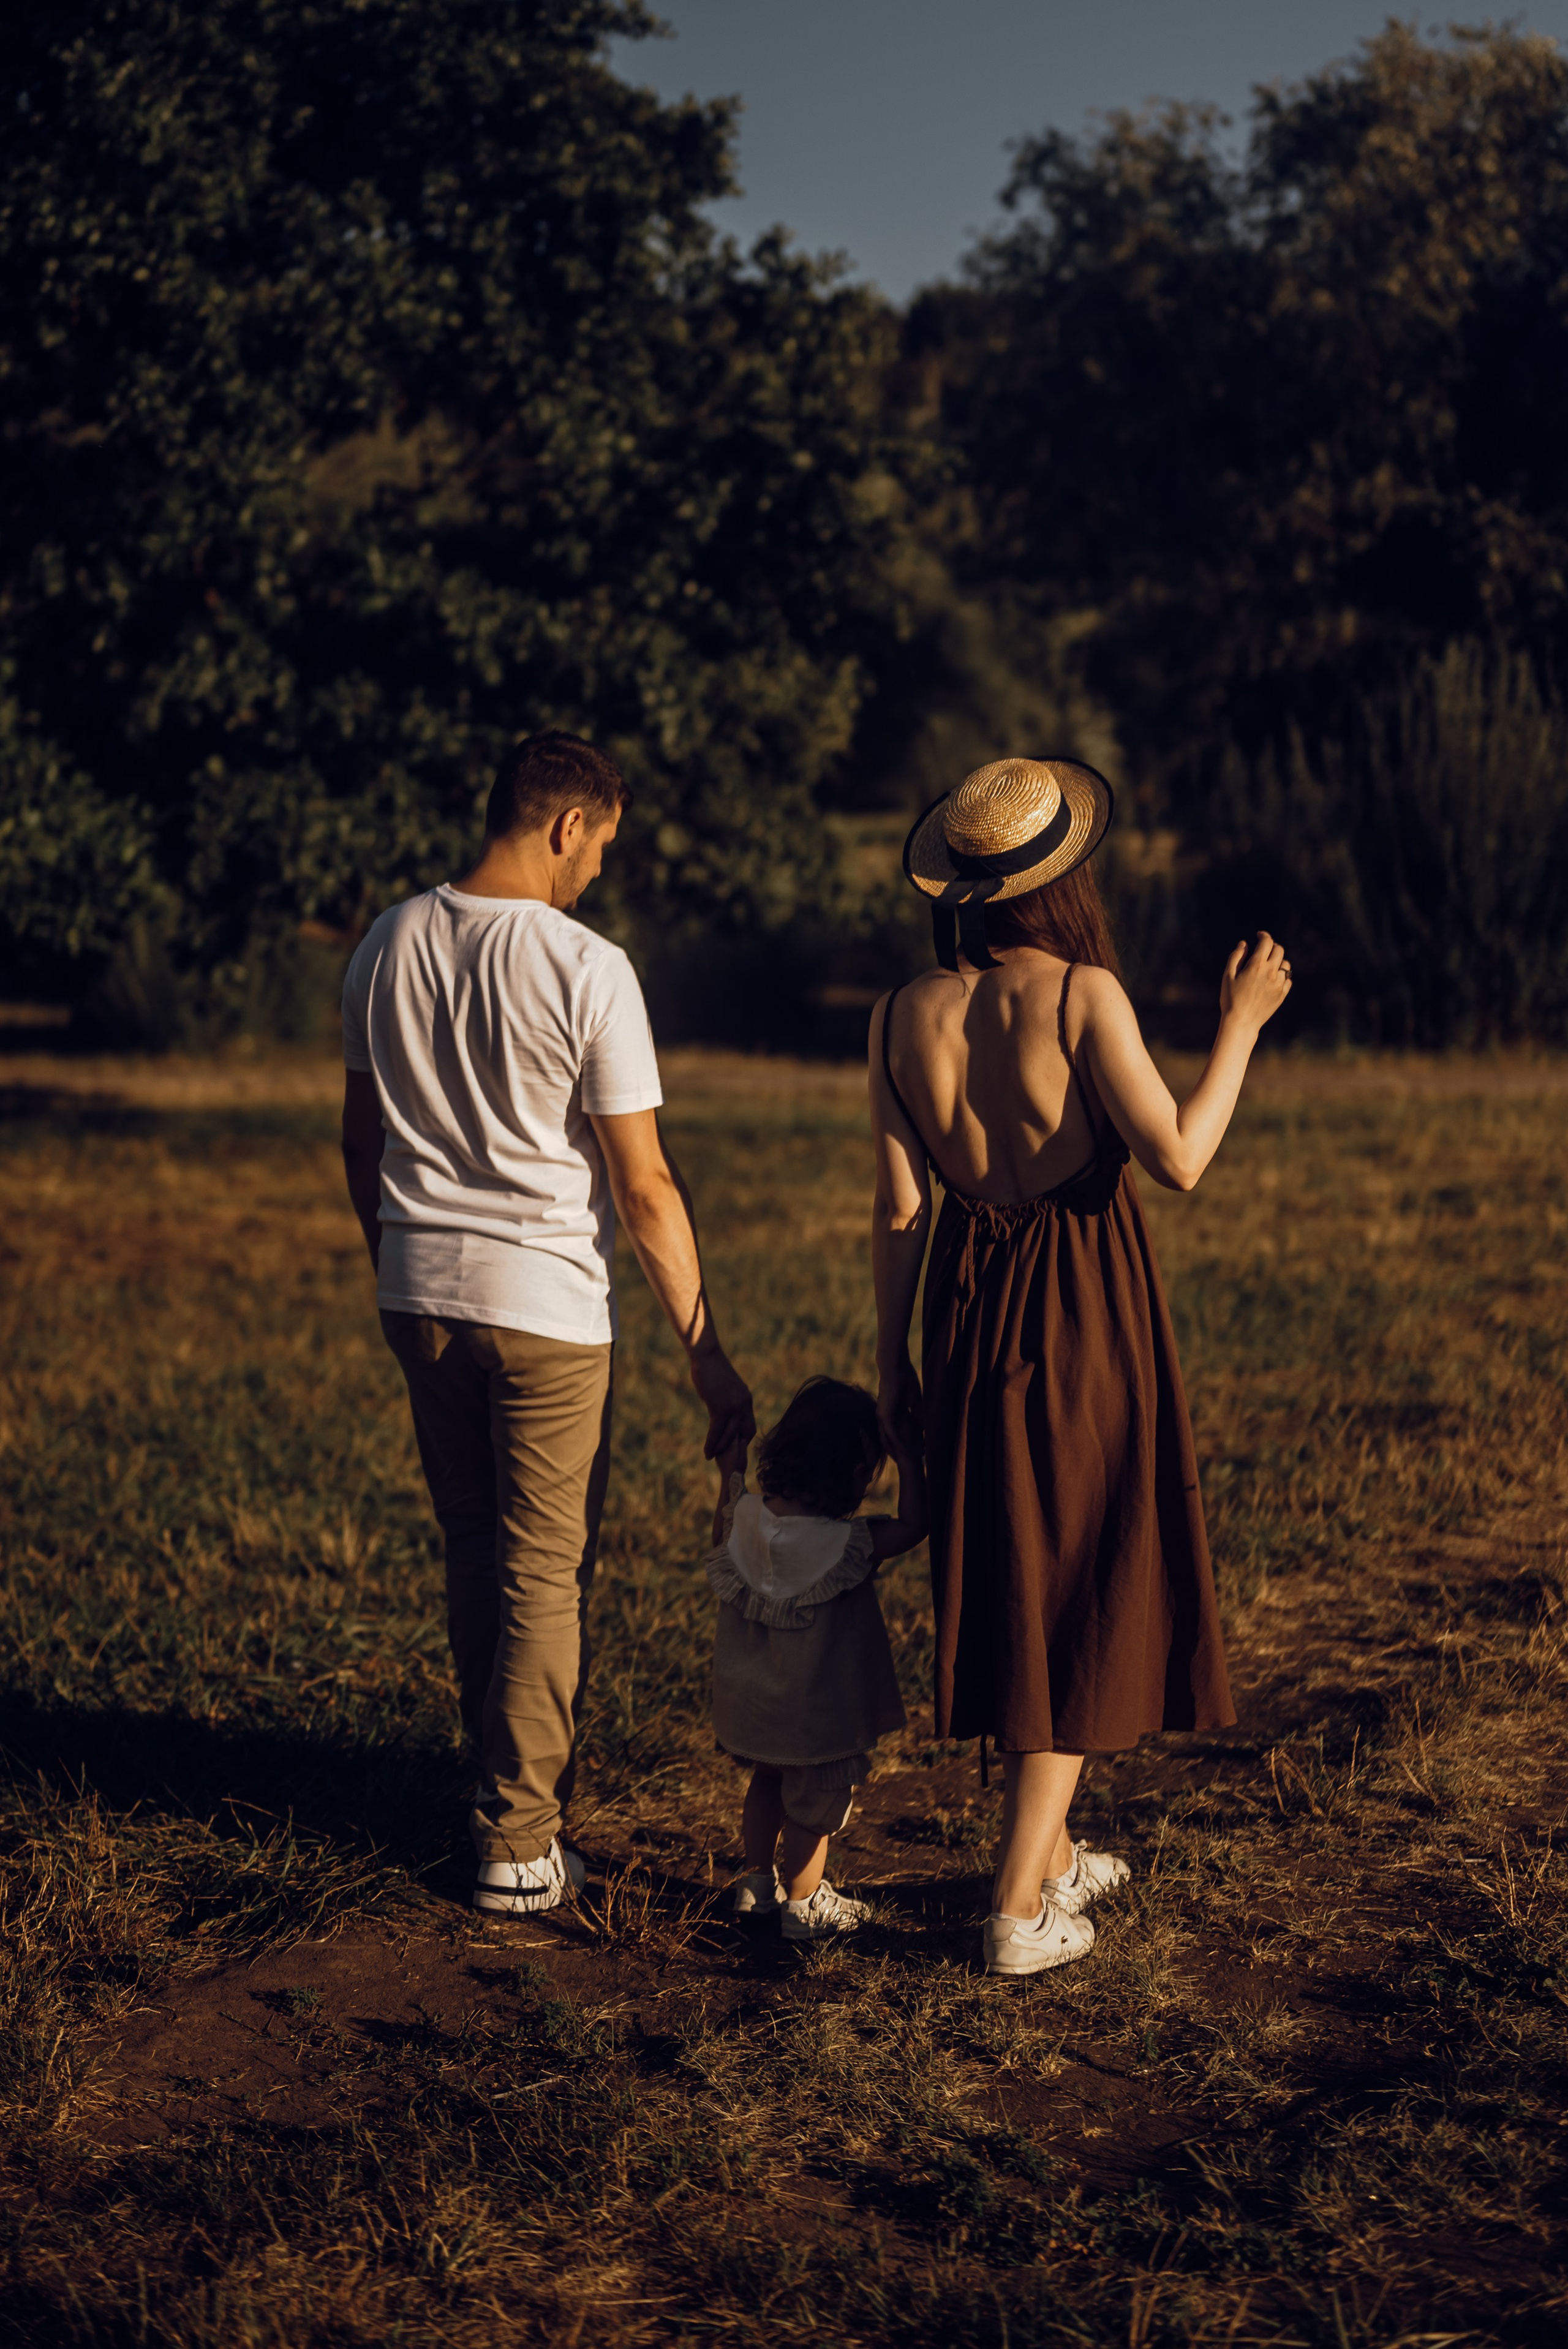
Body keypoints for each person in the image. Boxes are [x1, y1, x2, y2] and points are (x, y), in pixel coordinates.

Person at [869, 757, 1292, 1978]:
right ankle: (1012, 1908)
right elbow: (1178, 1157)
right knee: (1079, 1574)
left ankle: (1050, 1855)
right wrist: (1239, 1027)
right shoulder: (1080, 994)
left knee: (1012, 1562)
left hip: (961, 1300)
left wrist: (889, 1356)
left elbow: (899, 1207)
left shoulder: (901, 1010)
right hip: (1079, 1309)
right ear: (1061, 878)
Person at [340, 730, 753, 1916]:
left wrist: (400, 1260)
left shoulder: (387, 940)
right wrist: (705, 1355)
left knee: (478, 1547)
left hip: (415, 1292)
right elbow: (643, 1186)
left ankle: (496, 1790)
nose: (600, 869)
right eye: (604, 843)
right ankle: (517, 1840)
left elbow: (359, 1144)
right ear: (567, 822)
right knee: (541, 1568)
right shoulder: (586, 965)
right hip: (544, 1312)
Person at [707, 1378, 925, 1941]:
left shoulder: (743, 1518)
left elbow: (721, 1521)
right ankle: (804, 1903)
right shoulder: (849, 1545)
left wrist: (730, 1472)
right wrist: (908, 1458)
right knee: (812, 1806)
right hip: (816, 1719)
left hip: (753, 1707)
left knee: (766, 1784)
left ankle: (756, 1885)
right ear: (857, 1475)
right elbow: (915, 1525)